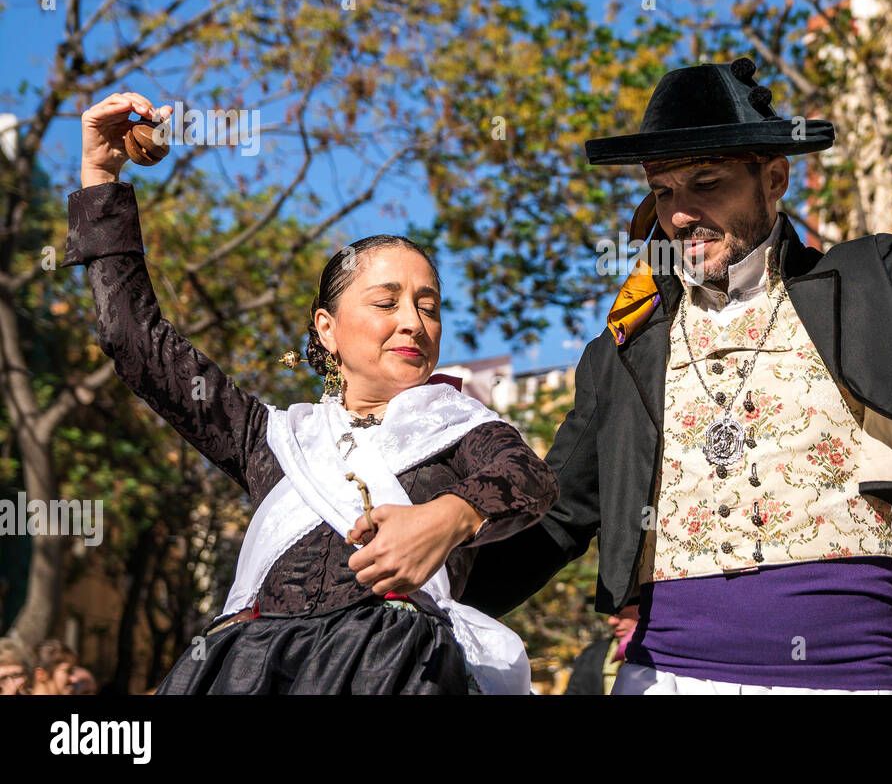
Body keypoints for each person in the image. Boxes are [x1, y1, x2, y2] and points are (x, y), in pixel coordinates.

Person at [460, 0, 892, 694]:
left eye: (706, 183)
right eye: (664, 192)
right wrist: (407, 600)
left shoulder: (867, 289)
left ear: (774, 178)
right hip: (665, 679)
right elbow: (560, 518)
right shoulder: (626, 348)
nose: (682, 213)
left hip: (844, 679)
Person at [64, 91, 557, 694]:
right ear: (327, 328)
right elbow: (133, 340)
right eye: (386, 302)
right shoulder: (269, 438)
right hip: (254, 670)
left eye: (428, 306)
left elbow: (530, 480)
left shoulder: (463, 428)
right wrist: (100, 177)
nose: (413, 322)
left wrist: (451, 516)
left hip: (393, 668)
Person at [564, 601, 639, 695]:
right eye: (611, 614)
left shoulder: (660, 656)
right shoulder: (591, 654)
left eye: (622, 615)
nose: (611, 621)